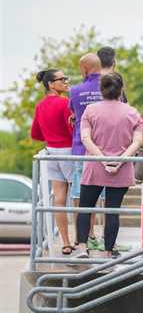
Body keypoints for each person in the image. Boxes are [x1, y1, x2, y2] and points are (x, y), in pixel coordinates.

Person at [76, 73, 143, 258]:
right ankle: (107, 251)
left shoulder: (90, 110)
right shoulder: (133, 112)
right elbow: (137, 142)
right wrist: (119, 161)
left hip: (94, 167)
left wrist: (102, 160)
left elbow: (85, 138)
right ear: (121, 89)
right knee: (113, 211)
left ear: (101, 90)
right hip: (121, 170)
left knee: (85, 207)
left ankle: (82, 247)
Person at [31, 68, 75, 255]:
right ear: (51, 84)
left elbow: (35, 134)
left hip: (51, 152)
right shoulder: (66, 103)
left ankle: (65, 242)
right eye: (62, 79)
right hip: (68, 152)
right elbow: (73, 130)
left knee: (59, 199)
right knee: (80, 197)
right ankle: (83, 240)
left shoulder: (40, 106)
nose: (66, 82)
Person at [69, 53, 104, 249]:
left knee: (79, 195)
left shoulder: (75, 91)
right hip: (107, 150)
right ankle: (105, 237)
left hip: (81, 148)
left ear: (84, 69)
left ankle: (82, 236)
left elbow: (74, 113)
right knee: (106, 197)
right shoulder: (110, 88)